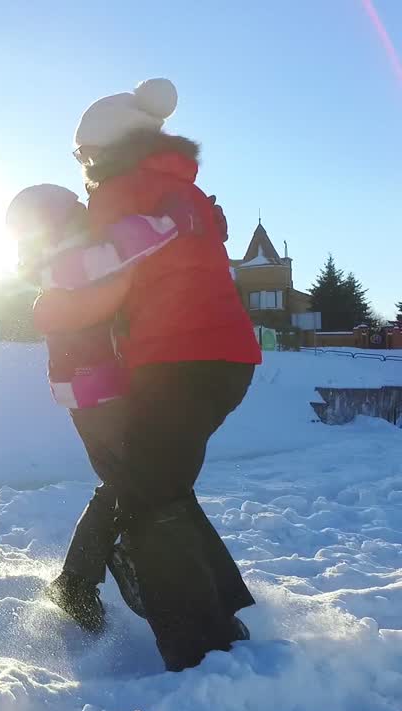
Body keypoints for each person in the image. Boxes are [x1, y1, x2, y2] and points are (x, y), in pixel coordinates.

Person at [35, 78, 262, 671]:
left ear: (107, 149)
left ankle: (201, 647)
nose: (86, 168)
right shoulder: (186, 193)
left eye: (86, 156)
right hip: (228, 362)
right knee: (149, 484)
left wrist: (52, 295)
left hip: (175, 364)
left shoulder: (122, 192)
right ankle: (213, 607)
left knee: (149, 500)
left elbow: (104, 276)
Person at [7, 183, 193, 631]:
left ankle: (85, 574)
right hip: (97, 389)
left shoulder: (57, 262)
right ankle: (83, 576)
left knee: (126, 479)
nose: (85, 216)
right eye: (75, 211)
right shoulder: (67, 262)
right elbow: (119, 250)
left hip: (93, 389)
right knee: (132, 479)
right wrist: (171, 219)